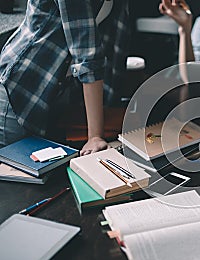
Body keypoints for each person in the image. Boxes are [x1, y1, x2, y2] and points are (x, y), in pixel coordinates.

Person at [0, 0, 116, 155]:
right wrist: (95, 136)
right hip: (21, 92)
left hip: (55, 91)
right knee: (18, 175)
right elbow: (87, 54)